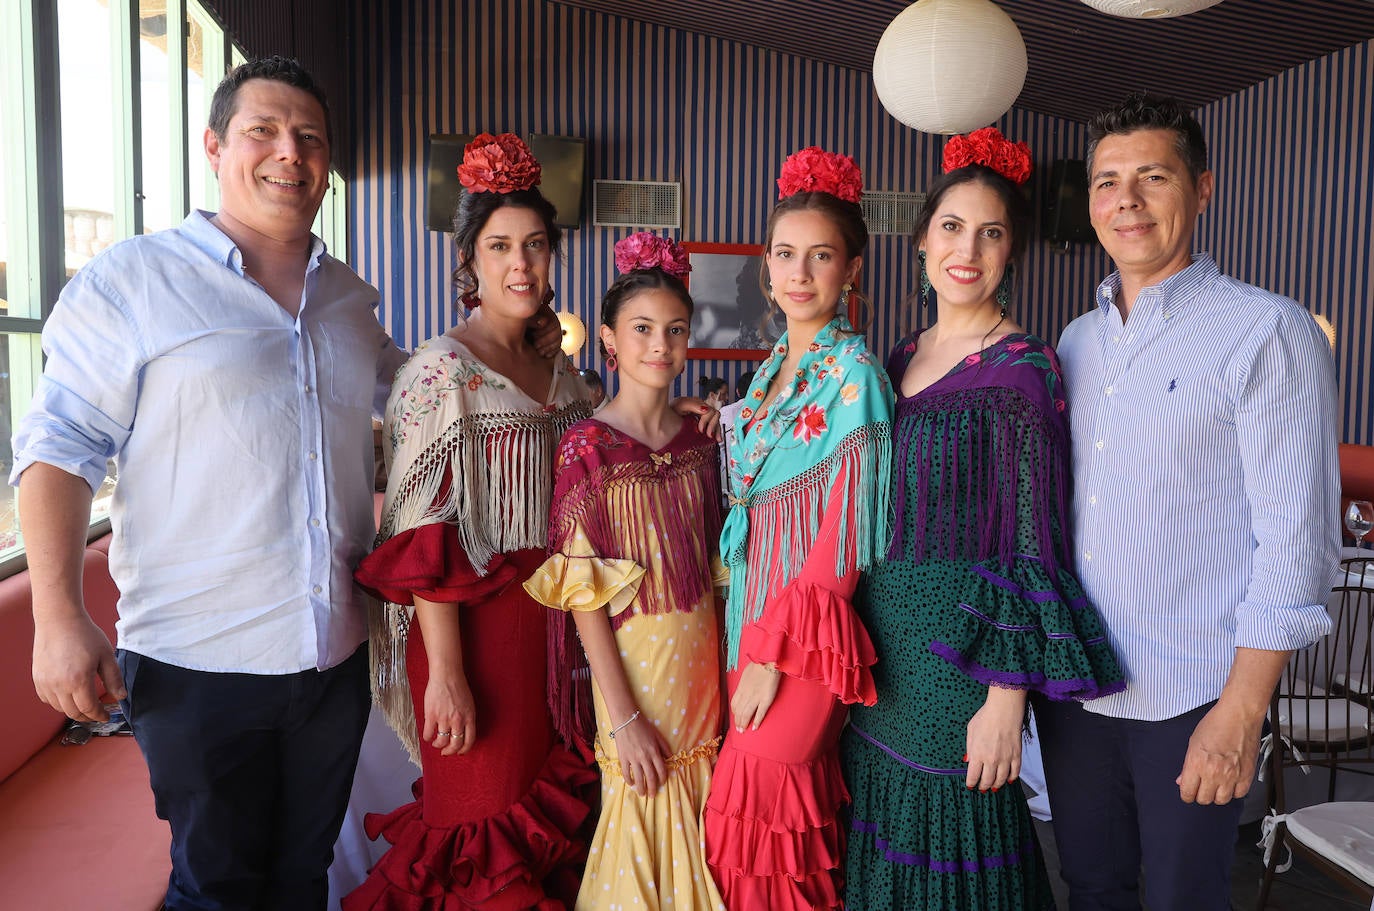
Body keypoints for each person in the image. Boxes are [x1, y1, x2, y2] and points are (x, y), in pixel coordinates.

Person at [11, 57, 407, 909]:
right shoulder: (133, 282)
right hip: (196, 664)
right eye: (264, 130)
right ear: (215, 146)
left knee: (304, 881)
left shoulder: (349, 299)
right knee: (216, 888)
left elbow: (418, 395)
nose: (288, 153)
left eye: (308, 137)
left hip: (334, 653)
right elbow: (58, 448)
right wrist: (56, 616)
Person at [1038, 92, 1339, 910]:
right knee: (1092, 886)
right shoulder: (1074, 341)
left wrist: (1242, 712)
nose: (1125, 201)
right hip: (1079, 688)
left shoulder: (1268, 331)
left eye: (1152, 177)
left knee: (1185, 898)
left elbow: (1297, 540)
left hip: (1194, 692)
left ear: (1202, 189)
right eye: (1106, 181)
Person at [839, 128, 1125, 911]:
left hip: (960, 650)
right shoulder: (894, 357)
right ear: (924, 240)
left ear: (1011, 254)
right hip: (879, 640)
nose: (969, 248)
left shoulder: (1024, 370)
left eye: (992, 233)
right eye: (954, 227)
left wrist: (1006, 698)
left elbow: (1033, 544)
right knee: (883, 817)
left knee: (958, 832)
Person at [344, 133, 596, 909]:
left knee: (547, 836)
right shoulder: (440, 371)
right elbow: (425, 540)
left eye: (536, 245)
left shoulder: (563, 372)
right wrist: (446, 675)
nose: (520, 264)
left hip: (552, 639)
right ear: (471, 261)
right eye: (500, 247)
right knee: (479, 834)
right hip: (472, 645)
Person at [703, 146, 893, 910]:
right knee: (766, 841)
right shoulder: (771, 368)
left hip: (800, 639)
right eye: (785, 253)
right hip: (745, 614)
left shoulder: (857, 375)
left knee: (757, 820)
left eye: (821, 256)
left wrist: (773, 661)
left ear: (851, 269)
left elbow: (843, 542)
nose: (800, 273)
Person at [526, 231, 727, 910]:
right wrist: (622, 717)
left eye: (674, 329)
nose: (659, 345)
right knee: (642, 823)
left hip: (705, 668)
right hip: (640, 678)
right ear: (609, 339)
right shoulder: (588, 447)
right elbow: (584, 598)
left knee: (707, 838)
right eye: (642, 329)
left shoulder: (704, 436)